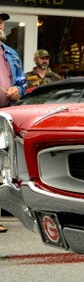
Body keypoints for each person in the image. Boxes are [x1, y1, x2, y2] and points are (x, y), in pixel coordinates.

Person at [1, 12, 27, 234]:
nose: (0, 24)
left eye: (1, 21)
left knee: (3, 165)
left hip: (6, 115)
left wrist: (18, 89)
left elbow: (22, 81)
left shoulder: (11, 54)